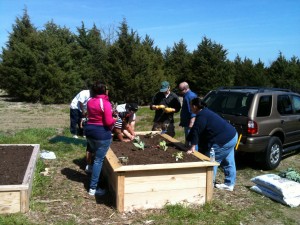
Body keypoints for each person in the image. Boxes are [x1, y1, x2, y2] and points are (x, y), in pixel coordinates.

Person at [186, 97, 238, 191]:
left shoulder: (202, 116)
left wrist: (192, 146)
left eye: (190, 106)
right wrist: (188, 139)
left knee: (211, 161)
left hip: (223, 139)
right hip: (232, 135)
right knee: (228, 160)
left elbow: (197, 131)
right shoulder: (206, 112)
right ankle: (229, 184)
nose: (190, 108)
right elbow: (195, 129)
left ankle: (208, 185)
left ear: (194, 106)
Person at [84, 81, 116, 196]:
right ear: (104, 90)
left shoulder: (90, 101)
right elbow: (108, 121)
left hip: (89, 132)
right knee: (99, 160)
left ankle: (94, 177)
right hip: (101, 133)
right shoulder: (105, 103)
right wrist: (114, 120)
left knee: (94, 155)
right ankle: (93, 188)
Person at [178, 82, 198, 149]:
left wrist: (191, 124)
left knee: (192, 141)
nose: (180, 92)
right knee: (188, 140)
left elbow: (193, 111)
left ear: (185, 89)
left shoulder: (190, 96)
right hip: (186, 122)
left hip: (190, 123)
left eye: (180, 90)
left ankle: (194, 154)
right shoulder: (186, 95)